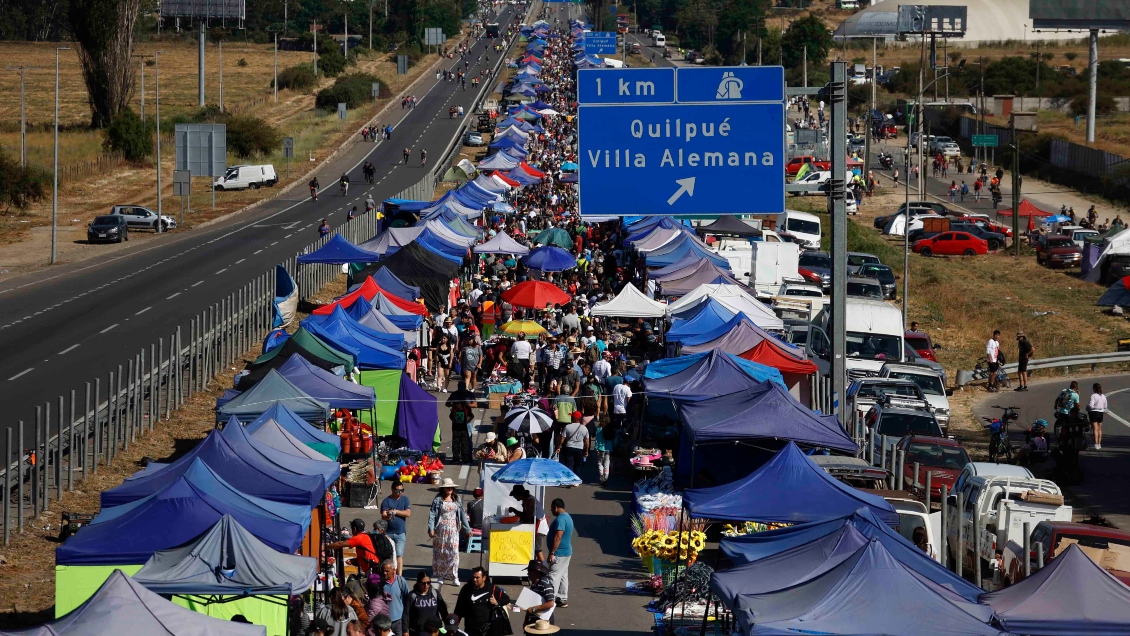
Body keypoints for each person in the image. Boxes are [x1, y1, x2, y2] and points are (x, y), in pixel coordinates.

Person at [429, 478, 471, 586]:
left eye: (451, 487)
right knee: (441, 552)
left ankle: (454, 576)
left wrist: (467, 529)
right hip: (441, 528)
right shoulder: (438, 499)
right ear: (443, 489)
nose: (450, 489)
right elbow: (432, 514)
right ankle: (441, 575)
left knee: (454, 552)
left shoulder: (456, 499)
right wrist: (431, 528)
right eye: (447, 487)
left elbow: (462, 515)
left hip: (453, 529)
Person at [453, 567, 511, 636]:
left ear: (484, 578)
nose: (474, 580)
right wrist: (455, 623)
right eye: (473, 577)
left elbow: (506, 599)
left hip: (487, 630)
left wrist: (497, 602)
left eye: (477, 577)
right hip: (470, 629)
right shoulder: (466, 589)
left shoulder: (492, 588)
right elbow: (459, 607)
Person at [546, 499, 573, 608]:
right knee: (562, 575)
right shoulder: (567, 517)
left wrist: (552, 552)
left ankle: (550, 599)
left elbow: (558, 536)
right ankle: (562, 598)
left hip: (559, 553)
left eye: (552, 508)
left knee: (553, 576)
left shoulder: (561, 519)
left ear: (556, 507)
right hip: (566, 552)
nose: (551, 510)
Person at [381, 484, 412, 575]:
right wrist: (389, 515)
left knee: (399, 555)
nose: (400, 492)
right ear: (392, 489)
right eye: (398, 490)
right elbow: (383, 515)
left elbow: (408, 513)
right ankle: (389, 574)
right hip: (388, 533)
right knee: (388, 555)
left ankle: (399, 576)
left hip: (400, 532)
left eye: (402, 490)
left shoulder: (405, 499)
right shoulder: (386, 501)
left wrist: (395, 511)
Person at [406, 572, 449, 636]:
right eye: (423, 583)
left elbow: (443, 611)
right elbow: (406, 614)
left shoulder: (435, 593)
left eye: (428, 582)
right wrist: (405, 630)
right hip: (418, 631)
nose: (426, 585)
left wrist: (448, 626)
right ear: (418, 583)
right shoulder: (412, 596)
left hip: (434, 631)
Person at [446, 381, 477, 464]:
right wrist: (454, 405)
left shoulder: (469, 394)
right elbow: (447, 404)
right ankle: (456, 457)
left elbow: (475, 405)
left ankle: (467, 457)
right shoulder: (454, 394)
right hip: (456, 423)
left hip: (466, 422)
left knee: (467, 441)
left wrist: (467, 405)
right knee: (456, 442)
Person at [382, 560, 412, 636]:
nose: (384, 573)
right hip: (385, 622)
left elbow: (407, 599)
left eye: (387, 571)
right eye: (383, 571)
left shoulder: (400, 581)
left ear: (394, 570)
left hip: (399, 621)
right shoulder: (380, 583)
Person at [521, 560, 555, 626]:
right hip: (534, 616)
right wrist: (526, 621)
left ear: (535, 572)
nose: (527, 574)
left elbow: (550, 603)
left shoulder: (545, 584)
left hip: (544, 620)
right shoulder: (534, 583)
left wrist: (534, 609)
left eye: (529, 571)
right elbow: (530, 604)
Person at [557, 411, 589, 477]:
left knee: (569, 464)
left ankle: (570, 478)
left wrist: (559, 447)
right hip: (579, 448)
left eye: (572, 417)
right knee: (577, 465)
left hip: (569, 447)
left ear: (574, 418)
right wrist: (586, 451)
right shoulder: (584, 428)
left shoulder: (567, 427)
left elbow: (562, 438)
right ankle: (576, 478)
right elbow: (586, 441)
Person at [593, 416, 615, 488]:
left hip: (600, 448)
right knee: (606, 464)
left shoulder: (598, 429)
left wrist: (596, 448)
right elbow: (614, 440)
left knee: (599, 463)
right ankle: (606, 478)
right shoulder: (611, 430)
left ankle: (601, 476)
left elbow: (597, 440)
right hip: (608, 449)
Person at [1088, 383, 1107, 450]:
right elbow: (1105, 406)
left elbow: (1091, 405)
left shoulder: (1093, 396)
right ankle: (1099, 444)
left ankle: (1095, 444)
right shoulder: (1103, 396)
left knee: (1095, 429)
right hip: (1101, 412)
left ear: (1094, 389)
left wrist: (1088, 407)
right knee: (1099, 429)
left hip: (1094, 412)